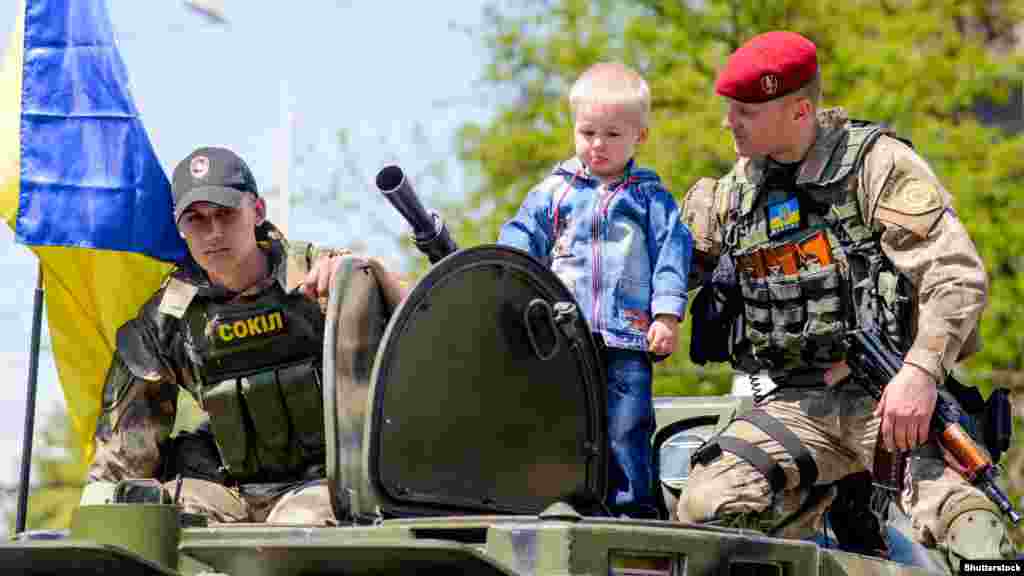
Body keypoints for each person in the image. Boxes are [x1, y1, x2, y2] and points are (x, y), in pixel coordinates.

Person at [677, 30, 1015, 568]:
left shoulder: (875, 165)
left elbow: (956, 276)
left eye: (745, 111)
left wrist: (921, 373)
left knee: (967, 523)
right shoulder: (730, 194)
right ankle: (818, 512)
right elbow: (664, 273)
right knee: (704, 504)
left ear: (800, 111)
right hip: (796, 406)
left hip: (889, 400)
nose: (728, 123)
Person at [79, 146, 407, 524]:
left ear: (258, 211)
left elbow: (425, 329)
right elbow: (122, 455)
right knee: (144, 516)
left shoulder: (323, 277)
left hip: (329, 487)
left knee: (294, 530)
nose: (214, 232)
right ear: (179, 227)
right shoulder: (165, 322)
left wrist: (367, 278)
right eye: (196, 219)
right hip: (230, 492)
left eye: (226, 213)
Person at [497, 62, 693, 518]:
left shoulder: (648, 198)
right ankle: (562, 501)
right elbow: (522, 236)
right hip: (565, 337)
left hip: (628, 336)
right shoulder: (554, 192)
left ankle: (631, 509)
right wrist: (506, 271)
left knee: (627, 426)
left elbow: (671, 254)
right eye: (587, 132)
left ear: (639, 137)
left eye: (612, 134)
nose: (597, 145)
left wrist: (666, 315)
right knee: (564, 421)